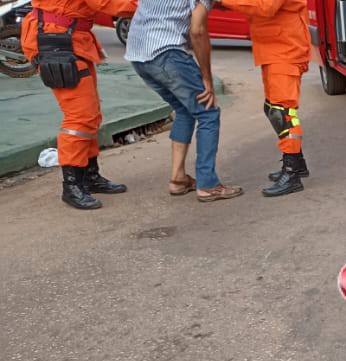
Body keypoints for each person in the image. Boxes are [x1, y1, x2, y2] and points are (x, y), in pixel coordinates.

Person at [21, 0, 137, 210]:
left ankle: (89, 176)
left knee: (90, 114)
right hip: (57, 40)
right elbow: (115, 5)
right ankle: (72, 185)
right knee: (80, 117)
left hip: (69, 38)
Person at [125, 0, 243, 202]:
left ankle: (178, 179)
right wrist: (206, 77)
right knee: (208, 112)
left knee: (184, 109)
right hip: (165, 52)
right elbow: (197, 31)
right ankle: (208, 184)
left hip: (139, 56)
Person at [217, 0, 309, 197]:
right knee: (272, 108)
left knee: (283, 113)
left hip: (286, 49)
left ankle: (292, 173)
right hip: (273, 48)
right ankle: (297, 163)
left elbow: (265, 6)